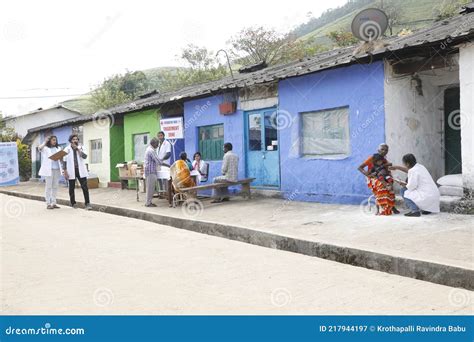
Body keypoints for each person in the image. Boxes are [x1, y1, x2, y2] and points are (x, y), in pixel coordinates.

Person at [357, 143, 399, 215]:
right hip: (372, 178)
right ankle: (382, 207)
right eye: (382, 149)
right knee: (381, 185)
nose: (384, 151)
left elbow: (387, 170)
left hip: (382, 176)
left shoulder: (385, 160)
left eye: (386, 150)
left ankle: (391, 205)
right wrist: (368, 174)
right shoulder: (372, 158)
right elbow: (360, 167)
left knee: (390, 185)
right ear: (378, 150)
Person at [62, 134, 92, 210]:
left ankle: (87, 203)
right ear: (70, 141)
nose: (75, 140)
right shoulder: (66, 149)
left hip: (81, 170)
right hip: (71, 171)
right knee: (71, 187)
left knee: (85, 187)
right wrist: (65, 171)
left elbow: (84, 156)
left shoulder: (81, 147)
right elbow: (64, 161)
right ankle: (73, 203)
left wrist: (78, 149)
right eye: (73, 139)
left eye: (76, 139)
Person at [38, 135, 63, 209]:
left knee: (55, 186)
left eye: (55, 140)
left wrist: (61, 157)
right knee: (48, 186)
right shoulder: (46, 148)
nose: (54, 141)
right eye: (53, 140)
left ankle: (54, 203)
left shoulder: (58, 148)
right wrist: (45, 141)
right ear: (50, 141)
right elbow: (39, 148)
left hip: (57, 169)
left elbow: (61, 159)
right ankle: (48, 203)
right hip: (49, 170)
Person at [144, 138, 161, 207]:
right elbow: (157, 160)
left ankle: (148, 202)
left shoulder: (149, 149)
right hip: (150, 171)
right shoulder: (151, 150)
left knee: (150, 187)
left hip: (150, 171)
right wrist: (166, 165)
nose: (157, 146)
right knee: (150, 188)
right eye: (157, 144)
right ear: (153, 144)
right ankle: (148, 203)